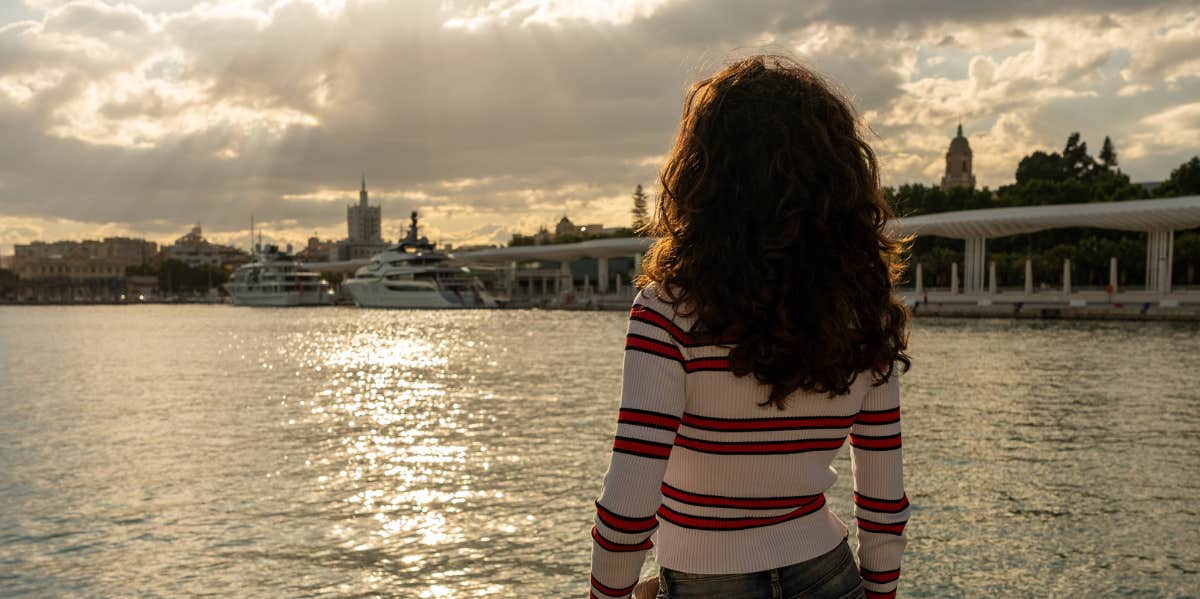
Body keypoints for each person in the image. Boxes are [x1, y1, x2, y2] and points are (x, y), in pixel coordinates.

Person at [587, 55, 912, 599]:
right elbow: (883, 503)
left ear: (704, 176)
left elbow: (629, 503)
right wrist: (879, 594)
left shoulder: (668, 312)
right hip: (828, 575)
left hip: (703, 581)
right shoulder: (861, 313)